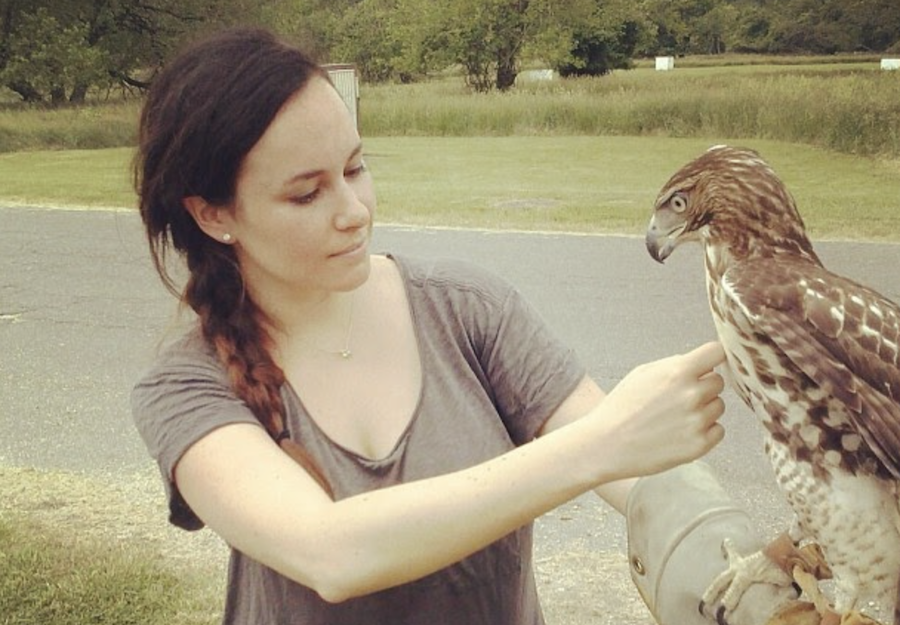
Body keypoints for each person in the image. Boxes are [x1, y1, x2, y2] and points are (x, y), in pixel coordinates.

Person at [130, 26, 792, 625]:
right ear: (214, 213)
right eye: (307, 193)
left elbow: (638, 474)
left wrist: (743, 571)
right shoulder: (186, 386)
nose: (354, 209)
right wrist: (599, 444)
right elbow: (331, 551)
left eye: (356, 168)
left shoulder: (465, 306)